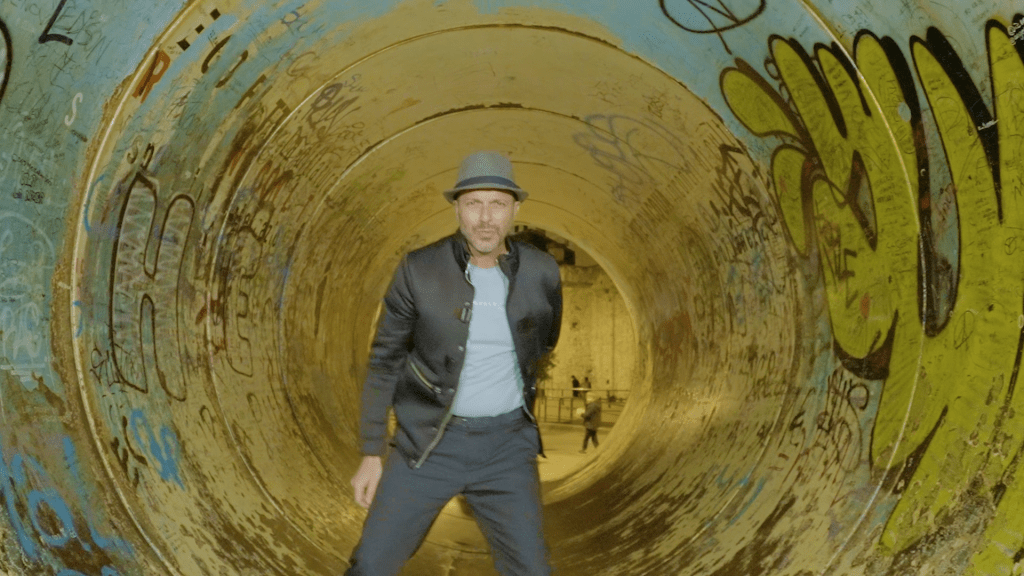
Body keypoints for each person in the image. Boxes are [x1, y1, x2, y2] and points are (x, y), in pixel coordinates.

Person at [346, 151, 563, 576]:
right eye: (473, 203)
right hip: (427, 445)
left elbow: (546, 340)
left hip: (507, 449)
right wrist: (371, 452)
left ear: (515, 210)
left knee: (533, 569)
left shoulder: (541, 271)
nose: (485, 218)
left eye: (497, 204)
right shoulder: (418, 270)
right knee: (371, 564)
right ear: (457, 209)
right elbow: (385, 361)